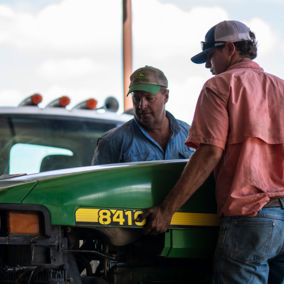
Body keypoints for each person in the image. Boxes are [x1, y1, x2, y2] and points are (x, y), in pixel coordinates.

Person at [137, 21, 284, 283]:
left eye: (209, 56)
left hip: (252, 217)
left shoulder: (219, 85)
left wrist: (167, 209)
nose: (207, 65)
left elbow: (209, 153)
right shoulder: (281, 87)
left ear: (229, 48)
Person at [92, 66, 194, 165]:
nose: (142, 105)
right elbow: (97, 181)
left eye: (149, 98)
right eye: (136, 99)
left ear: (166, 96)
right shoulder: (112, 142)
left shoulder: (189, 135)